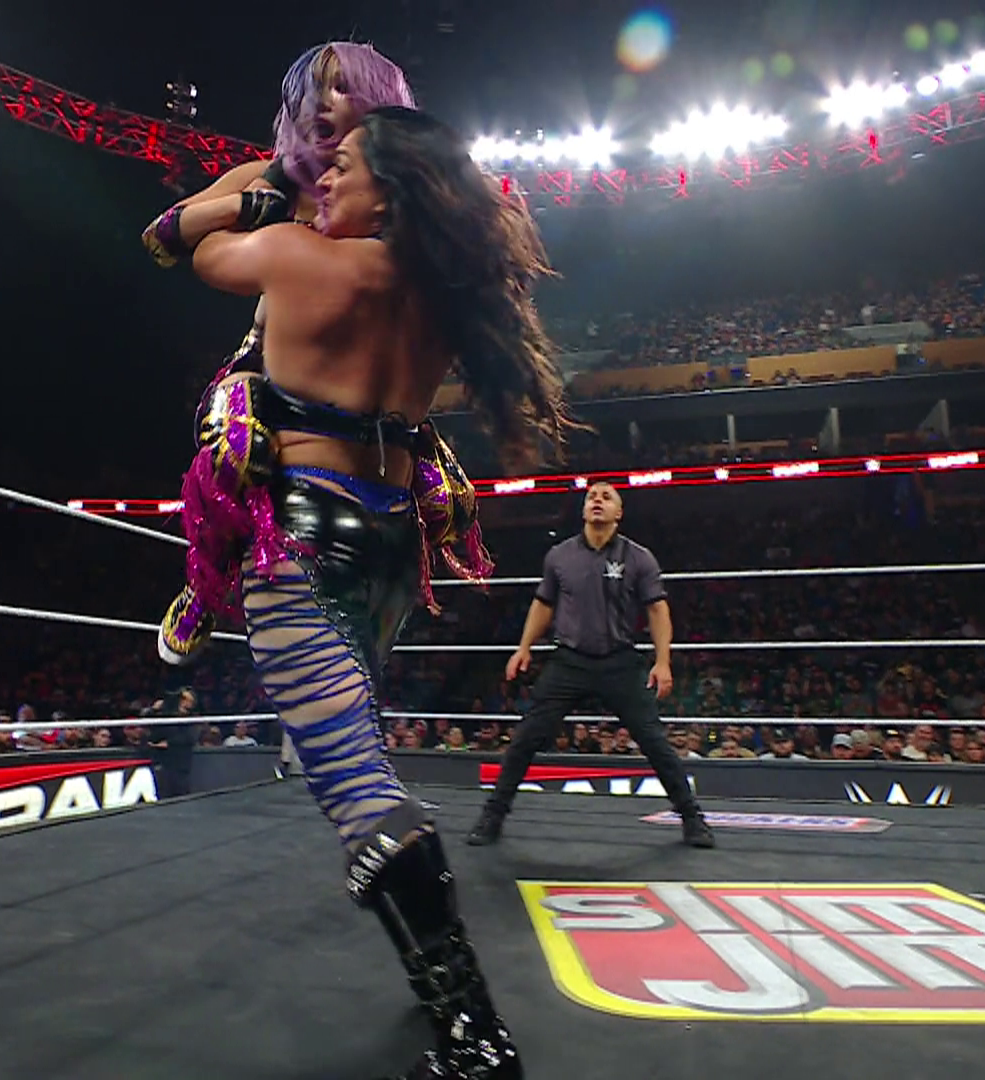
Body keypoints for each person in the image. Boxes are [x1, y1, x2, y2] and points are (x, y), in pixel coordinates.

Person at [167, 105, 575, 1079]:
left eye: (344, 167)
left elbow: (182, 243)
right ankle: (447, 1000)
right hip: (391, 548)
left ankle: (474, 1036)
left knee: (357, 790)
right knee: (358, 765)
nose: (328, 180)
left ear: (390, 190)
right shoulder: (444, 294)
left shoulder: (298, 258)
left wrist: (261, 181)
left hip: (304, 541)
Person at [140, 42, 488, 669]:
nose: (321, 102)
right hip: (276, 366)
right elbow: (162, 239)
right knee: (235, 447)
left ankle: (382, 594)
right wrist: (251, 206)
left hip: (372, 386)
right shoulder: (272, 177)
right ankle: (205, 581)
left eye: (340, 88)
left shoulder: (405, 192)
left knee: (446, 499)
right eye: (311, 90)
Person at [466, 482, 716, 848]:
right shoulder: (560, 556)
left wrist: (663, 661)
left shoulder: (639, 558)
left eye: (606, 497)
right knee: (526, 737)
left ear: (619, 513)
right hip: (570, 661)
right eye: (591, 497)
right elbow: (543, 604)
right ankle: (493, 816)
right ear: (583, 511)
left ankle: (692, 818)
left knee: (653, 740)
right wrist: (524, 648)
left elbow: (657, 609)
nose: (597, 500)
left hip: (620, 661)